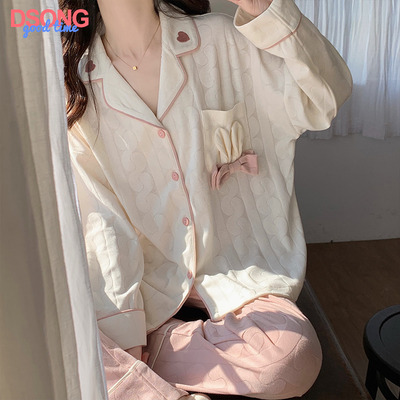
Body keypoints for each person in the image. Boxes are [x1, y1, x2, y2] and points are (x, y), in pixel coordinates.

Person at [62, 0, 352, 398]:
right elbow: (102, 220)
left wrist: (265, 8)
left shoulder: (222, 40)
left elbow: (326, 97)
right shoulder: (77, 87)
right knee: (56, 326)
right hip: (143, 287)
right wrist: (126, 333)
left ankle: (151, 363)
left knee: (292, 355)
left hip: (235, 275)